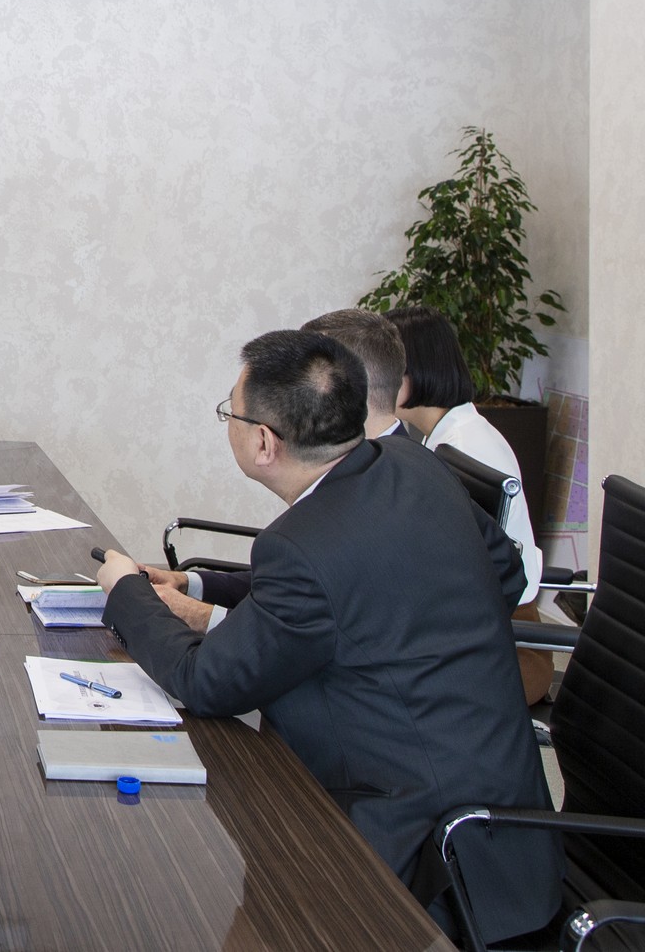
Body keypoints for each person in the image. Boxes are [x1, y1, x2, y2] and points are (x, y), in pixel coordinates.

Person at [96, 330, 560, 945]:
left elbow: (205, 682)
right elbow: (503, 573)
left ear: (264, 442)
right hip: (509, 816)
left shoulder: (303, 545)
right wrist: (198, 585)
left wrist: (124, 591)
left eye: (230, 412)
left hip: (425, 853)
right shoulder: (412, 463)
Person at [155, 308, 422, 630]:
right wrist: (193, 584)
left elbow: (315, 628)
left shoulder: (394, 495)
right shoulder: (384, 465)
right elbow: (302, 590)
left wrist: (191, 613)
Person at [387, 304, 551, 701]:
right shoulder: (446, 436)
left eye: (386, 368)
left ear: (415, 371)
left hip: (510, 647)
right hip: (482, 630)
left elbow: (454, 575)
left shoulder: (466, 448)